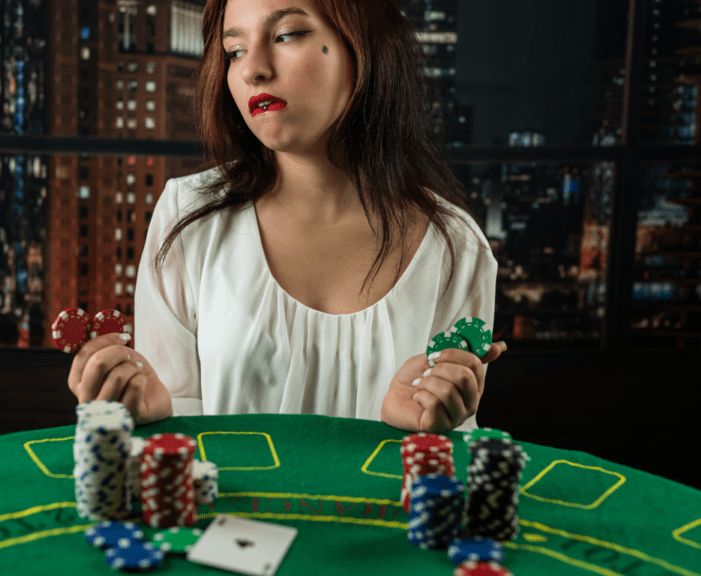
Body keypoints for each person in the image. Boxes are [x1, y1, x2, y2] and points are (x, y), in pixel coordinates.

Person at [67, 0, 505, 434]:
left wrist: (425, 422)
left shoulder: (456, 248)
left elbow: (453, 455)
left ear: (365, 46)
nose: (251, 69)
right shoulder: (187, 218)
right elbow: (171, 428)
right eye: (234, 51)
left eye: (286, 36)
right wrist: (150, 410)